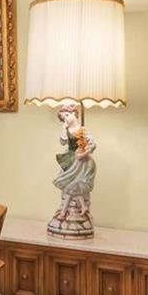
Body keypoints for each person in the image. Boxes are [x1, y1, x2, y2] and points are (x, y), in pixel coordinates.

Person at [48, 100, 97, 238]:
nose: (67, 118)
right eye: (64, 117)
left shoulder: (82, 130)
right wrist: (63, 127)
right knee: (70, 184)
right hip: (71, 159)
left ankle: (72, 210)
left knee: (77, 183)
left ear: (75, 113)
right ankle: (75, 209)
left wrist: (87, 151)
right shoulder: (68, 130)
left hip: (82, 160)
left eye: (68, 115)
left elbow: (92, 145)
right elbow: (63, 141)